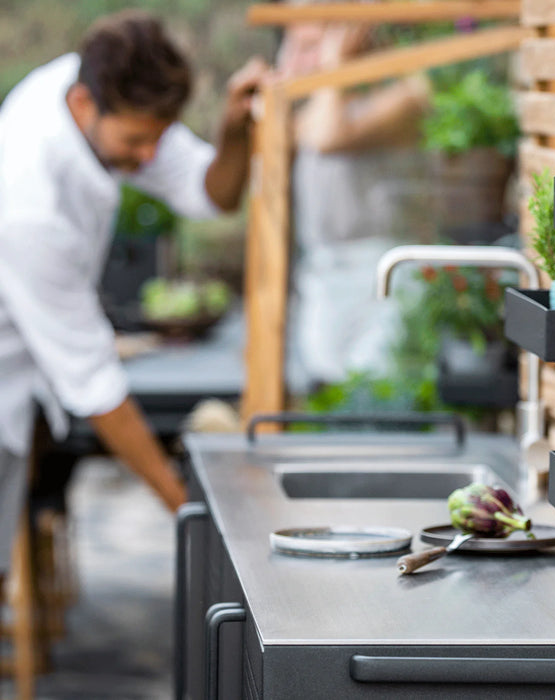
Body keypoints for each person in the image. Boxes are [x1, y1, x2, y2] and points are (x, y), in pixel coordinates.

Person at [0, 10, 266, 582]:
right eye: (136, 141)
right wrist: (191, 516)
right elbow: (97, 388)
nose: (149, 157)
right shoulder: (28, 203)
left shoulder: (108, 87)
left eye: (158, 139)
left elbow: (209, 194)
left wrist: (233, 129)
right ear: (81, 106)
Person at [274, 22, 434, 396]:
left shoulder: (404, 94)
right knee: (329, 385)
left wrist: (335, 65)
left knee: (379, 387)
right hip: (326, 271)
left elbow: (330, 137)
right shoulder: (320, 105)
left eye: (310, 45)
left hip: (383, 271)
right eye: (291, 46)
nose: (297, 58)